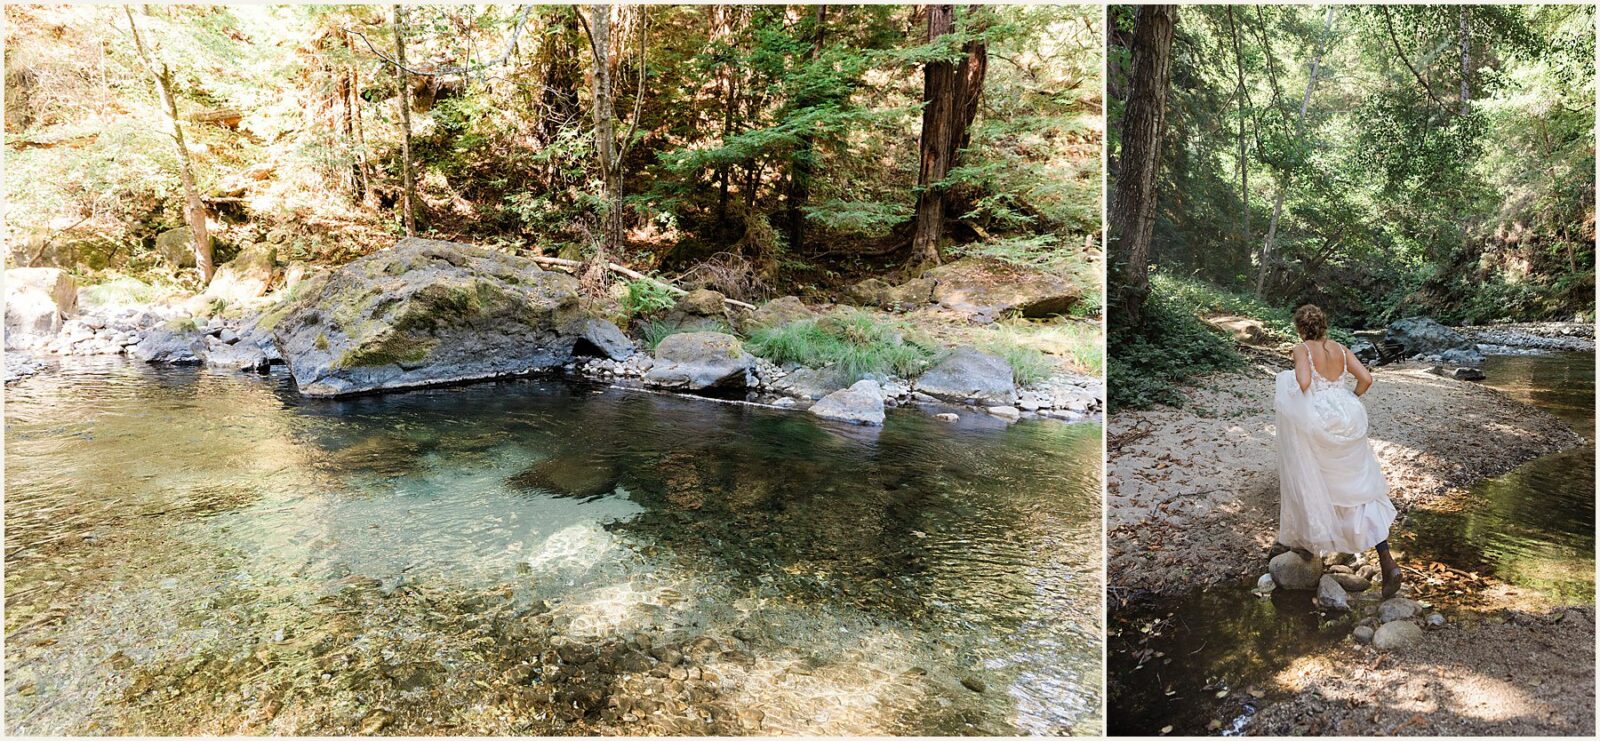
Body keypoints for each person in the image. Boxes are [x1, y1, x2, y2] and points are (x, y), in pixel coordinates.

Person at [1273, 304, 1402, 598]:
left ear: (1300, 328)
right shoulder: (1341, 349)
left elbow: (1304, 383)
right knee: (1358, 489)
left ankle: (1309, 544)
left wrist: (1286, 388)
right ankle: (1387, 561)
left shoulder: (1301, 349)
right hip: (1348, 418)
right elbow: (1366, 379)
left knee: (1315, 477)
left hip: (1321, 420)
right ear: (1323, 324)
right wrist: (1349, 400)